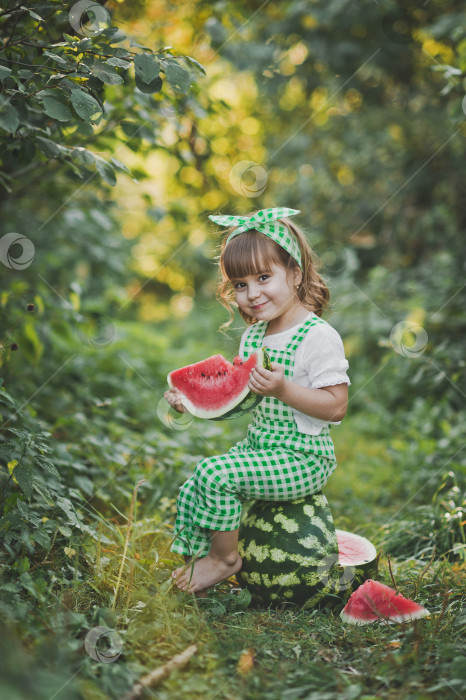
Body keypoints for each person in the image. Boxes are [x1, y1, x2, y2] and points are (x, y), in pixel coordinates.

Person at [164, 207, 350, 597]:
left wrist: (285, 390)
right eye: (240, 285)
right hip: (262, 447)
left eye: (264, 278)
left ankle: (225, 560)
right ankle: (205, 556)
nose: (252, 294)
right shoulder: (255, 336)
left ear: (295, 274)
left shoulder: (318, 337)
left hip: (303, 457)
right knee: (198, 480)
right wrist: (191, 402)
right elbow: (239, 400)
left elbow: (336, 406)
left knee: (216, 475)